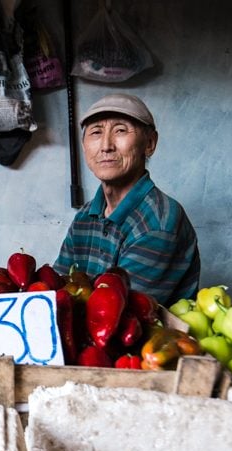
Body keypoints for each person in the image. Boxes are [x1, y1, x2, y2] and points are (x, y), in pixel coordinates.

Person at [54, 93, 200, 306]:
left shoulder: (159, 222)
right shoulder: (84, 218)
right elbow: (57, 287)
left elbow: (117, 312)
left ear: (149, 143)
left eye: (120, 130)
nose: (106, 146)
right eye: (96, 132)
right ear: (84, 146)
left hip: (149, 338)